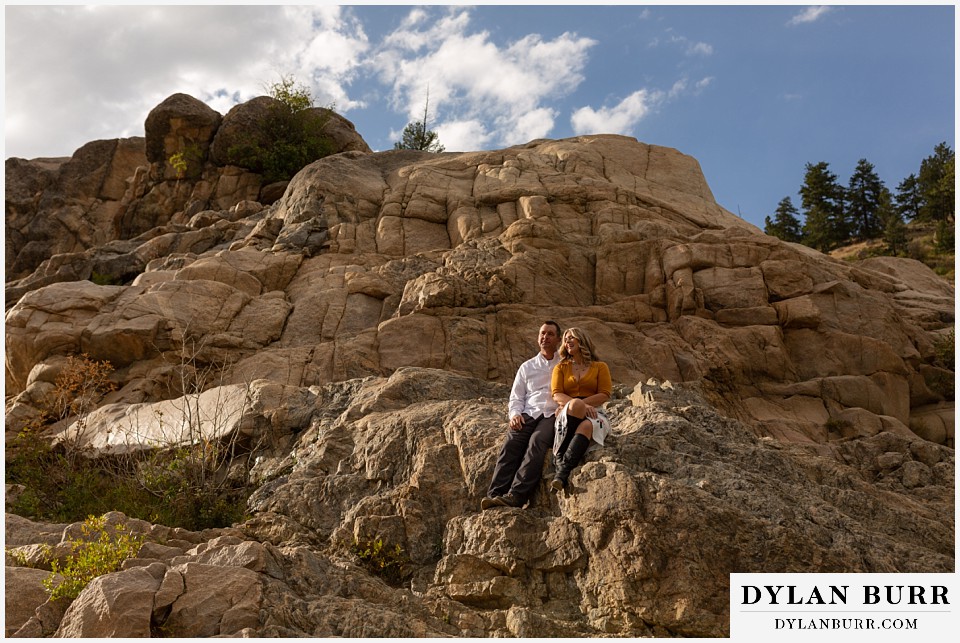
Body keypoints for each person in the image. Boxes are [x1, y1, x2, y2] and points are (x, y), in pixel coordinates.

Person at [482, 321, 563, 509]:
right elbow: (516, 397)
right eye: (542, 333)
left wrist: (563, 407)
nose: (545, 337)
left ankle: (517, 496)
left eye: (550, 334)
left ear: (558, 339)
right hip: (529, 413)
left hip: (552, 414)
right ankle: (495, 494)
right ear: (538, 337)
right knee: (511, 443)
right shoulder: (527, 367)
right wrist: (515, 415)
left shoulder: (564, 364)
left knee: (537, 442)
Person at [550, 327, 612, 492]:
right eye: (565, 339)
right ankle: (562, 468)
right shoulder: (561, 367)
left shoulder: (600, 366)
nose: (567, 341)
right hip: (570, 409)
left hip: (595, 411)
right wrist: (581, 405)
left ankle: (561, 470)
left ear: (581, 340)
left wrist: (587, 406)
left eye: (572, 338)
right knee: (576, 404)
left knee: (586, 426)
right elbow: (556, 394)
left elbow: (605, 394)